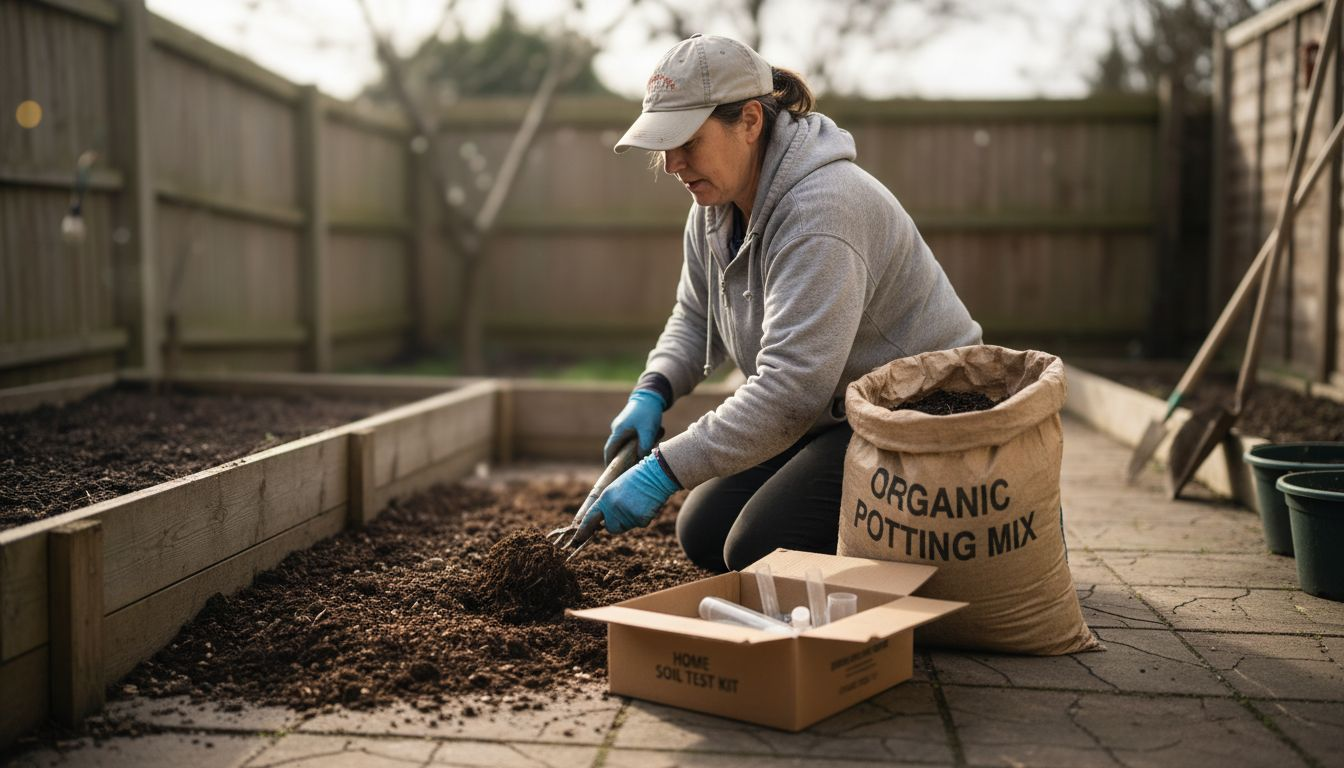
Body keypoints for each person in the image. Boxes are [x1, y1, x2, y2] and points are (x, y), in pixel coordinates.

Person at [584, 34, 982, 573]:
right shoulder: (713, 208)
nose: (673, 162)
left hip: (916, 416)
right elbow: (696, 317)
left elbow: (791, 390)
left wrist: (662, 470)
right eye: (663, 144)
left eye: (687, 140)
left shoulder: (823, 211)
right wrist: (652, 391)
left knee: (756, 548)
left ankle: (915, 578)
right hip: (838, 409)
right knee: (702, 531)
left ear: (750, 121)